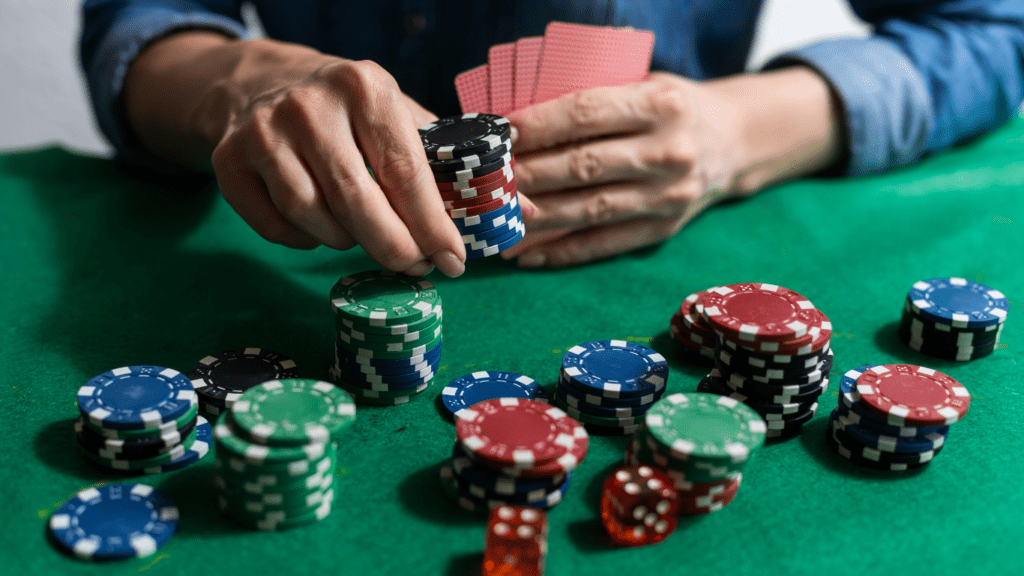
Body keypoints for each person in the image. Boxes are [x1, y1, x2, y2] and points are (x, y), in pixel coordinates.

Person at [80, 1, 1024, 277]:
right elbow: (139, 19)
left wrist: (736, 131)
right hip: (296, 255)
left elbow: (998, 28)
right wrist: (237, 81)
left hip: (651, 256)